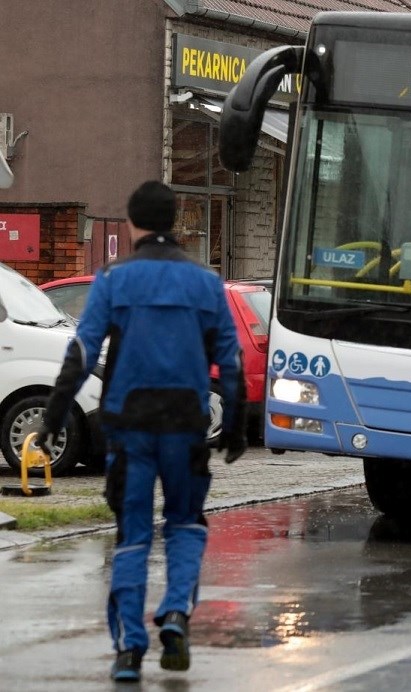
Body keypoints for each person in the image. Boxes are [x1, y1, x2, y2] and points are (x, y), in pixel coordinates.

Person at [35, 181, 247, 682]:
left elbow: (82, 353)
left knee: (132, 536)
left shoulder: (113, 280)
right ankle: (175, 613)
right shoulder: (205, 283)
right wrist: (234, 427)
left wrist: (53, 416)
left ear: (131, 224)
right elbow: (231, 362)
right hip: (185, 428)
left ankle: (129, 649)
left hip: (128, 427)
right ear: (175, 223)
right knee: (185, 524)